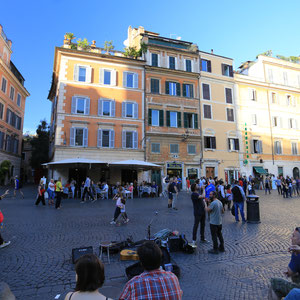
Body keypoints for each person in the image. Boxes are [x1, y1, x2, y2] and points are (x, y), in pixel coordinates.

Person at [268, 228, 300, 299]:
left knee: (274, 283)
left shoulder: (296, 253)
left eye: (294, 236)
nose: (291, 238)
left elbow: (290, 272)